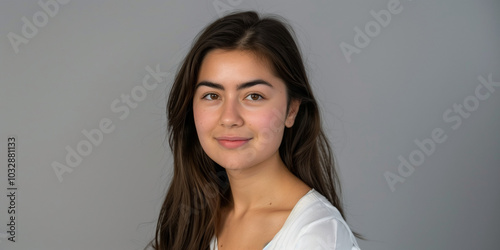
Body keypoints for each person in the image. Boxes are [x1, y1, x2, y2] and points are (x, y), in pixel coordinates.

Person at [151, 11, 361, 250]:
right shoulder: (192, 219)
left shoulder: (316, 236)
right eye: (212, 95)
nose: (229, 118)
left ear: (291, 110)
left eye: (253, 96)